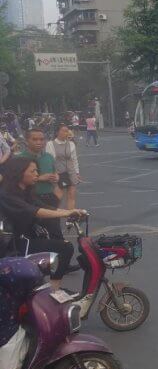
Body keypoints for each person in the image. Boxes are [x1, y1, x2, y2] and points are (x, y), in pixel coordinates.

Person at [0, 157, 87, 300]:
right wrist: (67, 213)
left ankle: (48, 289)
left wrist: (73, 211)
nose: (36, 174)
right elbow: (35, 211)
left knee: (61, 248)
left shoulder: (25, 191)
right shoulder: (7, 195)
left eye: (37, 171)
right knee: (65, 248)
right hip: (15, 245)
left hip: (27, 237)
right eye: (33, 171)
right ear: (19, 173)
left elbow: (45, 207)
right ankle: (54, 291)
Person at [16, 129, 61, 211]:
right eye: (34, 139)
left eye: (41, 139)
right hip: (29, 199)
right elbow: (15, 179)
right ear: (26, 141)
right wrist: (40, 178)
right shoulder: (19, 158)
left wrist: (56, 177)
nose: (39, 142)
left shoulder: (49, 156)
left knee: (53, 223)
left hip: (50, 198)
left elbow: (55, 172)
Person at [46, 124, 81, 210]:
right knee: (58, 196)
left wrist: (77, 172)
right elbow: (50, 160)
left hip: (71, 172)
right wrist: (53, 173)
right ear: (57, 132)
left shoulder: (71, 144)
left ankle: (71, 218)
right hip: (59, 172)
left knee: (71, 195)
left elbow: (74, 159)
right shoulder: (50, 144)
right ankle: (53, 215)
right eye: (64, 130)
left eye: (67, 131)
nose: (66, 133)